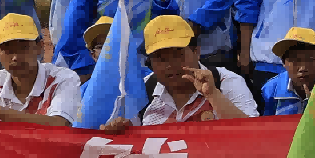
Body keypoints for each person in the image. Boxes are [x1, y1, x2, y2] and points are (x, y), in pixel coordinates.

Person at [100, 17, 256, 128]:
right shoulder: (143, 90)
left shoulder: (225, 81)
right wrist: (123, 131)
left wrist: (213, 95)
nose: (170, 65)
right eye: (160, 58)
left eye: (178, 55)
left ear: (196, 52)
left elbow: (252, 134)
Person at [0, 13, 83, 123]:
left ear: (39, 47)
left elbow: (59, 124)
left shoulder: (63, 79)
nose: (15, 57)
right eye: (8, 50)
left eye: (23, 48)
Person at [258, 27, 315, 116]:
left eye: (310, 59)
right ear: (283, 62)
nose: (303, 68)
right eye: (295, 60)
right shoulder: (270, 90)